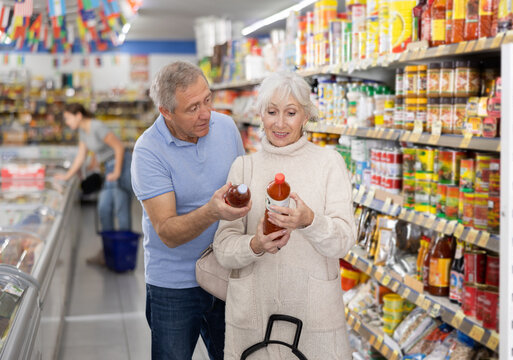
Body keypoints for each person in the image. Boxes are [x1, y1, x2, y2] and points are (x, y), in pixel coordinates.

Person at [213, 71, 356, 360]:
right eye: (272, 112)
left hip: (314, 317)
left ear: (306, 116)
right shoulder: (243, 168)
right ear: (261, 115)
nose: (280, 123)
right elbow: (223, 249)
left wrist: (310, 222)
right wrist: (255, 245)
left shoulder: (329, 163)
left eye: (290, 113)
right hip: (255, 316)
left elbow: (343, 241)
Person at [130, 61, 249, 360]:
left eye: (207, 99)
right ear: (166, 112)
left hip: (227, 272)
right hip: (175, 286)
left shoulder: (226, 127)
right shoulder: (148, 151)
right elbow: (167, 231)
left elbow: (243, 186)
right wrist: (212, 211)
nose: (206, 113)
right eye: (193, 107)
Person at [55, 103, 132, 264]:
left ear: (79, 115)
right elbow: (80, 157)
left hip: (121, 165)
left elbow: (119, 147)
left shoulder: (96, 126)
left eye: (68, 118)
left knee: (121, 209)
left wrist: (117, 171)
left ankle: (124, 255)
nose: (67, 123)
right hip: (109, 169)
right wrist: (67, 176)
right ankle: (108, 253)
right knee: (104, 209)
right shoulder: (83, 132)